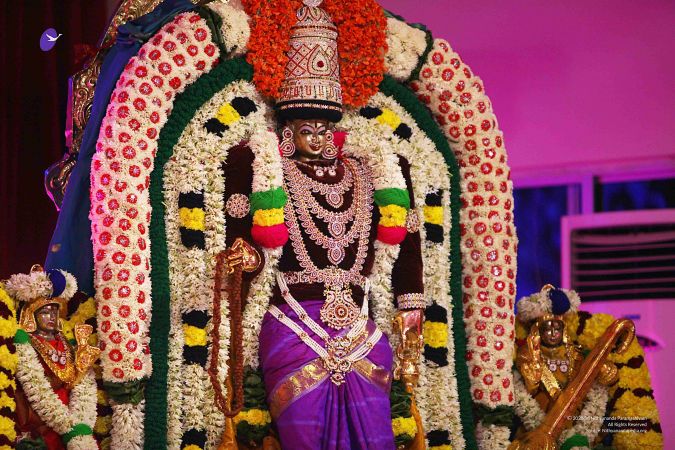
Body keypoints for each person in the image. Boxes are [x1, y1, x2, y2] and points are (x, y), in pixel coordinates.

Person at [219, 1, 425, 448]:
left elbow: (406, 240)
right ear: (287, 132)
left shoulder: (371, 171)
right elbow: (247, 243)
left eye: (323, 130)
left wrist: (410, 304)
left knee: (375, 431)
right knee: (304, 431)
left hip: (361, 323)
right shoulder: (265, 169)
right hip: (292, 323)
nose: (316, 138)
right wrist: (244, 259)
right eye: (305, 130)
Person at [6, 266, 99, 450]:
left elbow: (81, 377)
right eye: (45, 312)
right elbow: (32, 384)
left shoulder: (66, 341)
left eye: (54, 311)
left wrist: (80, 420)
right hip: (41, 415)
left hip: (73, 413)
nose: (51, 316)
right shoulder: (26, 342)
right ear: (32, 315)